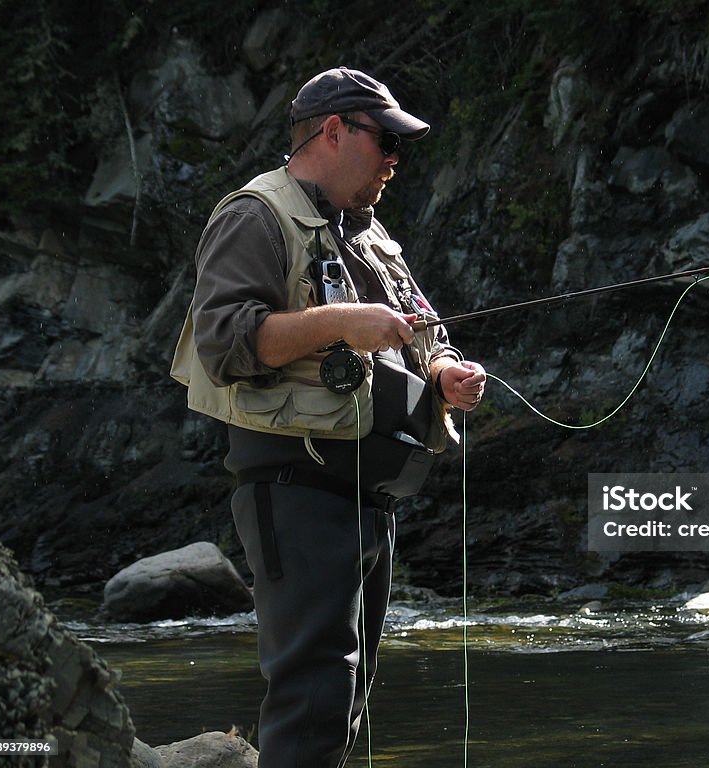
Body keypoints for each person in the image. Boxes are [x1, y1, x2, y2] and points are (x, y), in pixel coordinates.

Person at [170, 66, 486, 767]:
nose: (396, 160)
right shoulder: (254, 216)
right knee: (312, 698)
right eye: (386, 142)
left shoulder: (370, 236)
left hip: (367, 499)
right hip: (295, 491)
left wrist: (446, 375)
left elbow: (427, 337)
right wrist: (337, 322)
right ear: (333, 131)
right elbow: (224, 342)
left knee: (341, 705)